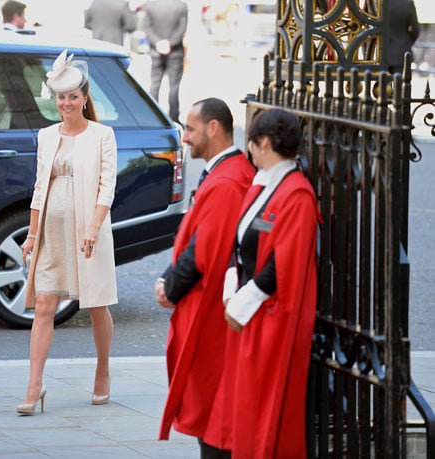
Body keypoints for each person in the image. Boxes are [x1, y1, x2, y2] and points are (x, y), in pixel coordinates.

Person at [203, 108, 321, 458]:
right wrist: (230, 286)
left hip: (268, 320)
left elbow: (284, 264)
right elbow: (239, 242)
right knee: (238, 418)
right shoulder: (268, 183)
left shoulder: (296, 194)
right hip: (250, 315)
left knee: (261, 417)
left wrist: (239, 302)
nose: (248, 152)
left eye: (251, 143)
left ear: (265, 143)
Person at [18, 49, 117, 415]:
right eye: (61, 97)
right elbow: (39, 187)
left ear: (84, 98)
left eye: (73, 97)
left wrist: (93, 227)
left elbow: (107, 186)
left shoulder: (102, 135)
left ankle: (103, 370)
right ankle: (34, 384)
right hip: (52, 229)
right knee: (45, 302)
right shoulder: (46, 136)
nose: (66, 103)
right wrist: (31, 234)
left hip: (87, 228)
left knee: (95, 304)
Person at [154, 98, 255, 454]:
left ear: (213, 128)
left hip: (210, 308)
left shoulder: (228, 181)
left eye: (191, 129)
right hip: (209, 301)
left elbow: (205, 247)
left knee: (213, 414)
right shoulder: (226, 173)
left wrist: (171, 285)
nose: (186, 138)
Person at [142, 0, 188, 123]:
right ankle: (174, 117)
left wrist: (158, 43)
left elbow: (147, 27)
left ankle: (152, 116)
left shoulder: (150, 5)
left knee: (155, 83)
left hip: (156, 50)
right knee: (174, 86)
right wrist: (170, 43)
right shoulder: (181, 5)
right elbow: (182, 28)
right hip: (175, 51)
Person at [388, 0, 420, 74]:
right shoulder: (408, 3)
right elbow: (416, 29)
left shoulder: (381, 3)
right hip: (402, 51)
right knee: (401, 83)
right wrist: (408, 40)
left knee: (384, 83)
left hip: (384, 51)